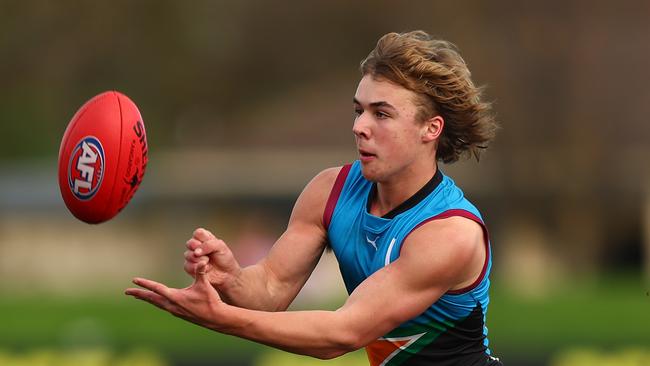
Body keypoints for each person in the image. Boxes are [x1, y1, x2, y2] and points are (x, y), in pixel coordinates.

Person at [126, 30, 501, 366]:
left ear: (430, 129)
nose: (359, 127)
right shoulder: (330, 191)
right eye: (358, 110)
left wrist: (222, 319)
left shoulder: (449, 233)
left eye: (381, 114)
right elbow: (271, 289)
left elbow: (343, 333)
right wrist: (232, 279)